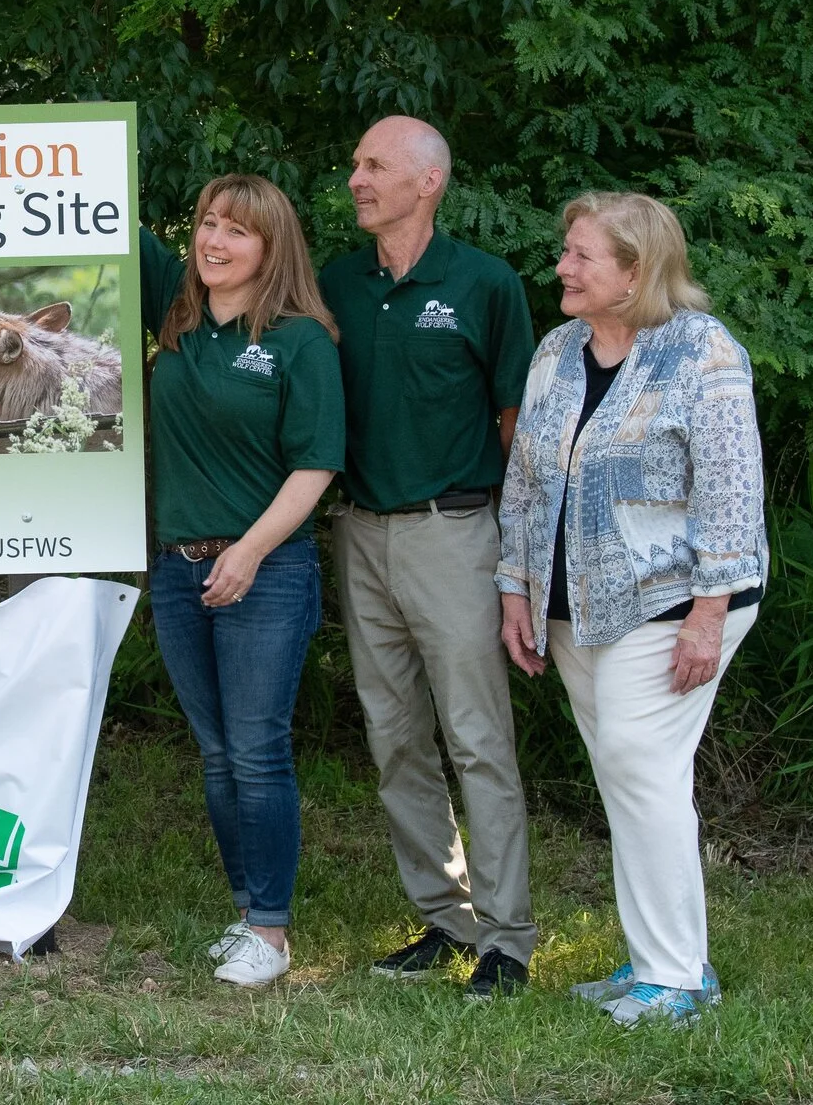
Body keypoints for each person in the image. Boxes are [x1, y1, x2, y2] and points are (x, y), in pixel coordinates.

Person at [498, 191, 766, 1026]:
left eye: (581, 255)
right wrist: (514, 586)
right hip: (573, 603)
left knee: (636, 763)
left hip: (678, 599)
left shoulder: (701, 350)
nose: (562, 267)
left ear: (635, 270)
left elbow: (732, 489)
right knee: (629, 775)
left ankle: (675, 977)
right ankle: (662, 959)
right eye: (566, 251)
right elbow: (525, 477)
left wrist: (709, 614)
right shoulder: (557, 350)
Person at [317, 117, 539, 998]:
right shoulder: (337, 283)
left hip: (456, 531)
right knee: (394, 737)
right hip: (360, 530)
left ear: (429, 181)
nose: (357, 178)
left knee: (478, 737)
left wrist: (520, 552)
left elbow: (518, 425)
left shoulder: (484, 283)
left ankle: (507, 940)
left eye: (375, 165)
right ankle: (446, 921)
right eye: (356, 162)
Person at [146, 174, 345, 988]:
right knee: (218, 752)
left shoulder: (300, 340)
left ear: (272, 246)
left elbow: (316, 463)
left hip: (265, 570)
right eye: (207, 223)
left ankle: (271, 928)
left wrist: (251, 551)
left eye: (236, 230)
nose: (214, 241)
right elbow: (102, 215)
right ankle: (246, 913)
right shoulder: (176, 315)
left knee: (258, 751)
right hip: (177, 568)